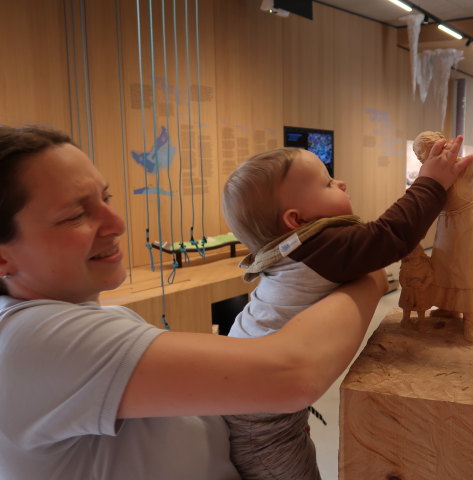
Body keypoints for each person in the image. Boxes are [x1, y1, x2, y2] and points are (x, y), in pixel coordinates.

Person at [0, 125, 390, 480]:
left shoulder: (87, 322)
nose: (117, 223)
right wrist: (368, 273)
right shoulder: (29, 341)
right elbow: (293, 374)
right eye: (75, 215)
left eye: (105, 198)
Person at [221, 136, 473, 479]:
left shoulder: (297, 248)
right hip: (260, 417)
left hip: (250, 395)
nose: (341, 183)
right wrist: (431, 184)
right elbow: (391, 235)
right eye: (327, 183)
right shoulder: (319, 246)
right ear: (296, 219)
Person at [412, 129, 473, 343]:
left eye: (420, 152)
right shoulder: (428, 171)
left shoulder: (458, 164)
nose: (418, 157)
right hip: (447, 225)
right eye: (417, 154)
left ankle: (470, 320)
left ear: (432, 149)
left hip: (470, 224)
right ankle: (449, 308)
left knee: (469, 271)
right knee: (444, 267)